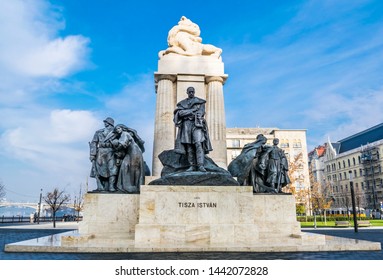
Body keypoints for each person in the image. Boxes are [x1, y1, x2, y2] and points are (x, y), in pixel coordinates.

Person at [173, 86, 212, 172]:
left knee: (198, 144)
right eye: (189, 92)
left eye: (192, 92)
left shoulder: (200, 102)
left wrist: (188, 112)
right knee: (189, 146)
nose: (191, 93)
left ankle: (200, 165)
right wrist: (192, 111)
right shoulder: (182, 103)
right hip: (186, 125)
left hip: (196, 124)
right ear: (187, 92)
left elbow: (201, 112)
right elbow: (180, 113)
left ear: (194, 92)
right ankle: (192, 166)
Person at [112, 124, 145, 193]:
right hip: (129, 153)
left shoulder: (125, 134)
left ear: (122, 128)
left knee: (134, 168)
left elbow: (122, 144)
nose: (117, 130)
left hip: (134, 152)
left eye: (118, 128)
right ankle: (125, 186)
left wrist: (116, 148)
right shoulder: (122, 135)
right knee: (124, 166)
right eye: (116, 129)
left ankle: (135, 187)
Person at [89, 117, 118, 192]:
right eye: (105, 122)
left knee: (113, 169)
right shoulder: (99, 132)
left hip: (111, 151)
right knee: (99, 169)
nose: (105, 123)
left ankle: (111, 186)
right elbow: (94, 142)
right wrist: (92, 154)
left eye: (106, 122)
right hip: (101, 152)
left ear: (110, 123)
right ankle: (100, 186)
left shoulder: (116, 132)